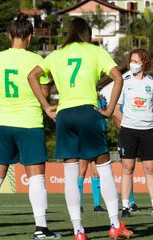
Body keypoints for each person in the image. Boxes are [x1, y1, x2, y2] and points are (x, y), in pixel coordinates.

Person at [28, 17, 133, 240]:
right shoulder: (94, 51)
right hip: (88, 112)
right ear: (88, 33)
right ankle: (115, 225)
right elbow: (117, 77)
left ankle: (78, 230)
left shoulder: (56, 54)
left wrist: (47, 107)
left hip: (65, 115)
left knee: (71, 175)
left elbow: (32, 76)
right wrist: (110, 109)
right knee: (104, 169)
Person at [0, 14, 61, 240]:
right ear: (30, 37)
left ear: (9, 35)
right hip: (29, 123)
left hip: (3, 122)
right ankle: (41, 228)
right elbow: (44, 93)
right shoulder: (36, 60)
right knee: (36, 177)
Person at [112, 48, 153, 217]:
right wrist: (125, 124)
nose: (132, 64)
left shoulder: (151, 82)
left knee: (150, 168)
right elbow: (115, 108)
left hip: (148, 130)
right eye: (132, 61)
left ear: (144, 63)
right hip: (128, 130)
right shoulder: (124, 80)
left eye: (136, 61)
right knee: (127, 168)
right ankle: (126, 206)